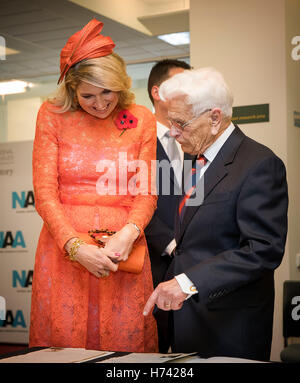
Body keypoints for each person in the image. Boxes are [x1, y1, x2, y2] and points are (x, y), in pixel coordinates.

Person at [29, 19, 158, 353]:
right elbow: (44, 193)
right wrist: (75, 247)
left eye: (108, 92)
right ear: (72, 90)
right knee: (66, 343)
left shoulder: (142, 119)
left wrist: (128, 235)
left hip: (122, 250)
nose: (100, 103)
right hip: (65, 249)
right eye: (88, 95)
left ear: (121, 85)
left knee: (123, 344)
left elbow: (146, 191)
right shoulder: (51, 115)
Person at [143, 67, 288, 361]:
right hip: (189, 324)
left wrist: (186, 282)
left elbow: (263, 250)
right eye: (171, 122)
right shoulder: (195, 158)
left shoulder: (258, 164)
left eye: (180, 123)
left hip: (229, 327)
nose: (173, 132)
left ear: (214, 118)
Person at [144, 59, 191, 353]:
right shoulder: (135, 137)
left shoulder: (195, 137)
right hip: (154, 265)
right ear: (157, 92)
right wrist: (172, 244)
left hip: (193, 270)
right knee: (155, 351)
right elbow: (131, 204)